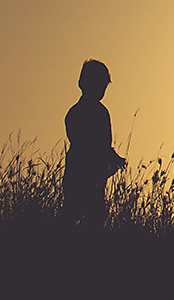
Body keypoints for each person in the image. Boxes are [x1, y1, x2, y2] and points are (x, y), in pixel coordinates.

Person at [63, 59, 127, 228]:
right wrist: (112, 158)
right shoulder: (97, 113)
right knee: (90, 218)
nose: (101, 91)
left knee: (77, 215)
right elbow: (98, 145)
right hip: (87, 173)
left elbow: (99, 144)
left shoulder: (75, 112)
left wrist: (113, 157)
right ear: (83, 84)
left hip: (79, 171)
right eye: (99, 86)